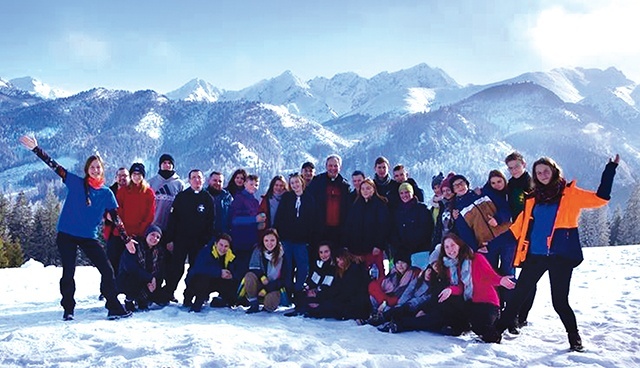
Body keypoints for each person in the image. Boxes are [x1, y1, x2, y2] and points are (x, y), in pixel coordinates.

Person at [497, 155, 620, 352]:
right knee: (518, 295)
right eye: (539, 172)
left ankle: (574, 337)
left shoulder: (569, 194)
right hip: (535, 256)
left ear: (554, 171)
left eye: (546, 171)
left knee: (559, 302)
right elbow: (517, 227)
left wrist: (610, 169)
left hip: (560, 257)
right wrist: (488, 242)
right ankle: (496, 332)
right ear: (535, 176)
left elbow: (600, 199)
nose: (543, 175)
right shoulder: (532, 198)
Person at [19, 134, 133, 320]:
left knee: (107, 269)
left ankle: (113, 306)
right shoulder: (76, 182)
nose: (95, 170)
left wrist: (126, 239)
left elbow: (116, 218)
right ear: (87, 169)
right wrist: (35, 149)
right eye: (92, 167)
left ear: (102, 170)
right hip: (66, 234)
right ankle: (68, 309)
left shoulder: (106, 193)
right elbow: (55, 166)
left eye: (98, 167)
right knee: (69, 271)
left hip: (88, 236)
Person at [437, 233, 515, 343]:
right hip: (470, 301)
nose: (450, 250)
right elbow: (460, 287)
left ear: (459, 245)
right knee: (449, 303)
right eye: (447, 247)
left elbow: (490, 276)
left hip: (487, 302)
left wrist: (500, 280)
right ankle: (460, 326)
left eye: (452, 245)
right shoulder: (451, 266)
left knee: (481, 326)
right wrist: (450, 290)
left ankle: (495, 332)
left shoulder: (476, 258)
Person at [161, 169, 215, 305]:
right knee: (176, 268)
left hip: (199, 242)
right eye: (194, 177)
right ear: (189, 180)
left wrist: (206, 240)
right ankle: (168, 293)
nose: (197, 180)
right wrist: (170, 239)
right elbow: (173, 220)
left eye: (199, 177)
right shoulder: (182, 197)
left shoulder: (207, 199)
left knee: (195, 269)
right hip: (181, 240)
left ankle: (190, 295)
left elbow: (211, 222)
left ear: (203, 180)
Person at [274, 173, 317, 314]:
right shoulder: (287, 198)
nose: (295, 185)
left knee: (302, 268)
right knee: (288, 267)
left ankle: (299, 294)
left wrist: (310, 237)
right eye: (292, 183)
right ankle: (287, 294)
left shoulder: (309, 199)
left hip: (302, 240)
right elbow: (279, 217)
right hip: (287, 239)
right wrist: (278, 233)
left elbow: (313, 220)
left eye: (297, 182)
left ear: (302, 182)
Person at [504, 151, 536, 328]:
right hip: (517, 234)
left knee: (528, 277)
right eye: (510, 168)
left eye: (516, 166)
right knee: (521, 276)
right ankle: (516, 313)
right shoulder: (511, 184)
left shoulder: (531, 184)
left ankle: (522, 315)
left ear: (524, 163)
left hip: (531, 236)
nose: (514, 170)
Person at [479, 170, 517, 313]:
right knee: (492, 273)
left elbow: (510, 211)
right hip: (492, 240)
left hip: (509, 238)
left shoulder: (510, 193)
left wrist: (499, 219)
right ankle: (495, 307)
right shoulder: (486, 193)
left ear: (504, 180)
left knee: (508, 272)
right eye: (493, 183)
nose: (496, 185)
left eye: (499, 181)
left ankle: (511, 310)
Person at [108, 162, 156, 276]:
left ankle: (131, 290)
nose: (136, 177)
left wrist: (138, 233)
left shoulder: (149, 193)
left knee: (133, 265)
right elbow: (118, 212)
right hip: (120, 234)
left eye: (139, 174)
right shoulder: (123, 191)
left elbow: (150, 215)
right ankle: (108, 291)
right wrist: (125, 233)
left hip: (138, 235)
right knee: (113, 263)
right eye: (134, 174)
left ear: (143, 176)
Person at [304, 248, 371, 321]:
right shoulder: (343, 272)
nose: (340, 263)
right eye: (338, 261)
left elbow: (347, 291)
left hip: (357, 305)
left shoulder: (354, 270)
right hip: (349, 301)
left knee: (329, 306)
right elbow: (337, 288)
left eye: (341, 260)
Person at [342, 178, 389, 278]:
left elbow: (383, 226)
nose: (365, 191)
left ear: (373, 189)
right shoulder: (356, 204)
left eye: (368, 188)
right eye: (362, 189)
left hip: (373, 248)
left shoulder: (380, 204)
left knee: (376, 275)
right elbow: (349, 225)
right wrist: (347, 244)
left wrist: (378, 245)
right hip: (357, 248)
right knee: (359, 276)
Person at [450, 174, 510, 252]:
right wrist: (476, 248)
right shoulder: (458, 210)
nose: (460, 187)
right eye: (456, 186)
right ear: (454, 190)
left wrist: (498, 219)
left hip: (506, 235)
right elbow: (465, 233)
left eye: (461, 183)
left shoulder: (483, 193)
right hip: (487, 245)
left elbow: (505, 207)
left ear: (467, 183)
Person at [361, 253, 421, 326]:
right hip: (387, 300)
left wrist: (386, 303)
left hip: (402, 303)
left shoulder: (414, 274)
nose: (400, 265)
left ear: (408, 263)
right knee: (372, 297)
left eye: (403, 262)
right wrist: (384, 301)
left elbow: (407, 293)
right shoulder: (392, 274)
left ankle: (380, 319)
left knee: (390, 309)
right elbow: (373, 285)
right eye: (398, 263)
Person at [184, 233, 239, 312]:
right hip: (196, 281)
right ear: (216, 244)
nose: (223, 248)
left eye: (226, 246)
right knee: (202, 279)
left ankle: (224, 302)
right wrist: (219, 272)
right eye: (221, 245)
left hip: (216, 281)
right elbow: (199, 268)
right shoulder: (205, 252)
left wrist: (231, 275)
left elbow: (237, 269)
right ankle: (195, 303)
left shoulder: (231, 255)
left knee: (232, 283)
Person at [117, 224, 165, 312]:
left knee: (161, 294)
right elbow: (131, 268)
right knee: (134, 278)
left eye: (158, 237)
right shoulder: (134, 246)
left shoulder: (158, 251)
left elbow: (159, 268)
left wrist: (153, 281)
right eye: (152, 235)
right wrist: (150, 278)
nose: (155, 238)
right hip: (128, 278)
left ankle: (143, 300)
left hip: (147, 279)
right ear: (147, 234)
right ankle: (129, 300)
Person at [306, 154, 352, 245]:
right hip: (319, 230)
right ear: (326, 166)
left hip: (339, 231)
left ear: (340, 167)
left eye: (335, 166)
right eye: (330, 165)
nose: (333, 168)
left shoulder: (345, 186)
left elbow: (348, 209)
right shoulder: (317, 182)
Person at [390, 182, 434, 269]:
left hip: (420, 251)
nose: (404, 195)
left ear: (412, 193)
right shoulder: (397, 211)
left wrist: (414, 245)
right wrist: (399, 247)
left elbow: (427, 229)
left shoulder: (422, 209)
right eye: (402, 193)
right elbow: (394, 231)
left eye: (407, 192)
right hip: (403, 252)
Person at [242, 228, 287, 313]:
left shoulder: (283, 255)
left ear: (277, 241)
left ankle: (266, 308)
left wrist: (267, 289)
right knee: (249, 276)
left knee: (270, 304)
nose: (269, 243)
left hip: (274, 286)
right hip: (259, 283)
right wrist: (262, 276)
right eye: (266, 240)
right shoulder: (258, 251)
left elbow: (284, 279)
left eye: (272, 240)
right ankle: (253, 302)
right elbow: (253, 268)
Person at [230, 174, 266, 277]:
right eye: (251, 184)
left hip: (252, 241)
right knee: (240, 269)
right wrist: (254, 219)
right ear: (245, 184)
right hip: (240, 241)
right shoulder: (239, 199)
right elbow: (235, 220)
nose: (254, 187)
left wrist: (258, 225)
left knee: (249, 268)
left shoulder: (254, 201)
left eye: (256, 185)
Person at [206, 171, 233, 237]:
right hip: (204, 236)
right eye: (215, 180)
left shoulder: (228, 197)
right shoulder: (202, 196)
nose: (217, 183)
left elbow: (232, 216)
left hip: (222, 237)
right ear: (209, 181)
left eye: (220, 181)